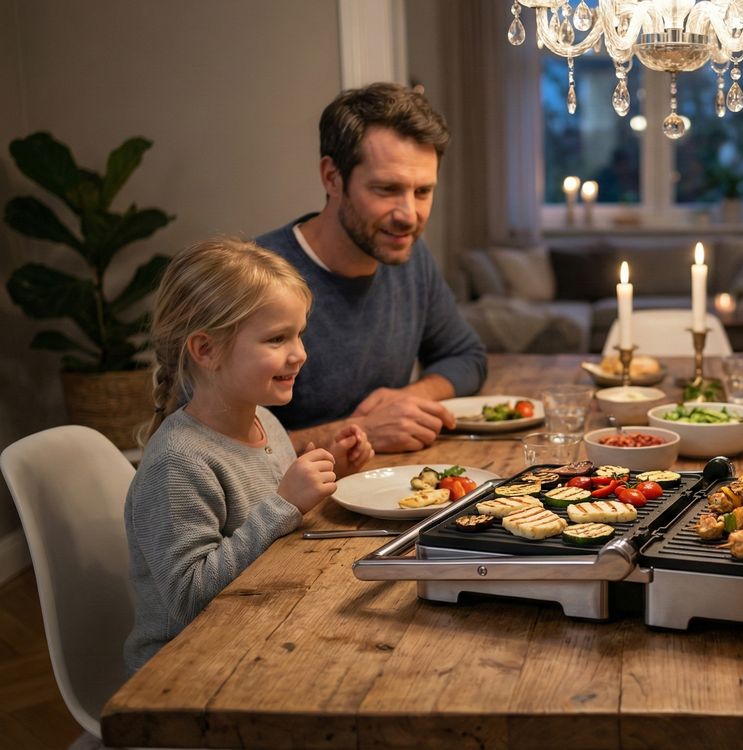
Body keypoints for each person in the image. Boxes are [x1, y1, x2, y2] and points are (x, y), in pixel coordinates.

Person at [124, 239, 373, 673]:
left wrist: (331, 469)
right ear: (206, 350)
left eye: (299, 334)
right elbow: (188, 600)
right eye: (277, 338)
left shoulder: (263, 421)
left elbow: (272, 520)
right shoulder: (178, 463)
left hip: (259, 629)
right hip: (188, 668)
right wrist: (285, 503)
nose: (300, 353)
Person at [254, 82, 487, 454]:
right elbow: (211, 448)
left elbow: (465, 357)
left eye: (423, 191)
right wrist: (356, 433)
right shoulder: (252, 279)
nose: (409, 216)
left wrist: (408, 398)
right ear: (332, 177)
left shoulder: (410, 257)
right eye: (386, 189)